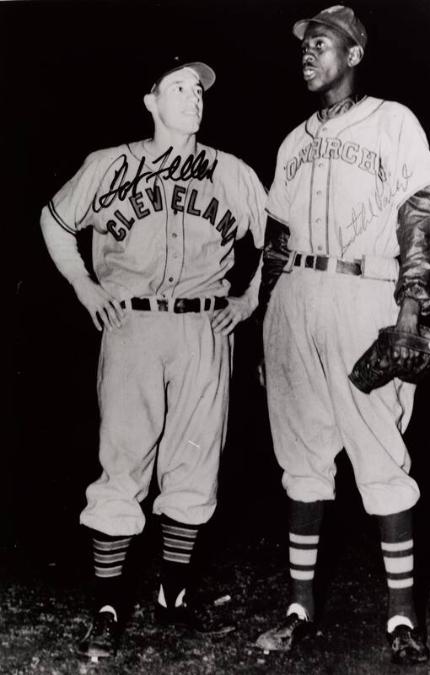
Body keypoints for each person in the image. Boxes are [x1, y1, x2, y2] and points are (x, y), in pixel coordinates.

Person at [40, 56, 266, 661]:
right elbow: (54, 221)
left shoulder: (231, 172)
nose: (193, 97)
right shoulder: (109, 164)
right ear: (150, 101)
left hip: (204, 328)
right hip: (131, 322)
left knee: (194, 470)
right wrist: (85, 286)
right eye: (178, 87)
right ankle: (109, 608)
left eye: (198, 89)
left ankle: (173, 596)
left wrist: (248, 300)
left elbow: (282, 237)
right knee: (123, 462)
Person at [255, 6, 430, 665]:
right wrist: (267, 324)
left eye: (321, 44)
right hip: (295, 300)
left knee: (380, 456)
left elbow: (418, 218)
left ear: (355, 53)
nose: (307, 54)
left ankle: (401, 616)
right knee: (302, 459)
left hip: (363, 294)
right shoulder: (290, 142)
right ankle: (298, 608)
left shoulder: (393, 121)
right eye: (303, 46)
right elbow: (277, 243)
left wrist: (411, 308)